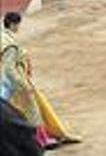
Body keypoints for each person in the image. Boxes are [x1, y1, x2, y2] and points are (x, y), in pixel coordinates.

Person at [2, 12, 80, 150]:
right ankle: (40, 140)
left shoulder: (3, 36)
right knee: (32, 112)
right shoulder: (10, 45)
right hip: (16, 83)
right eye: (18, 24)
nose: (19, 27)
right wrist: (23, 84)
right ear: (13, 24)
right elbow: (10, 69)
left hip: (5, 81)